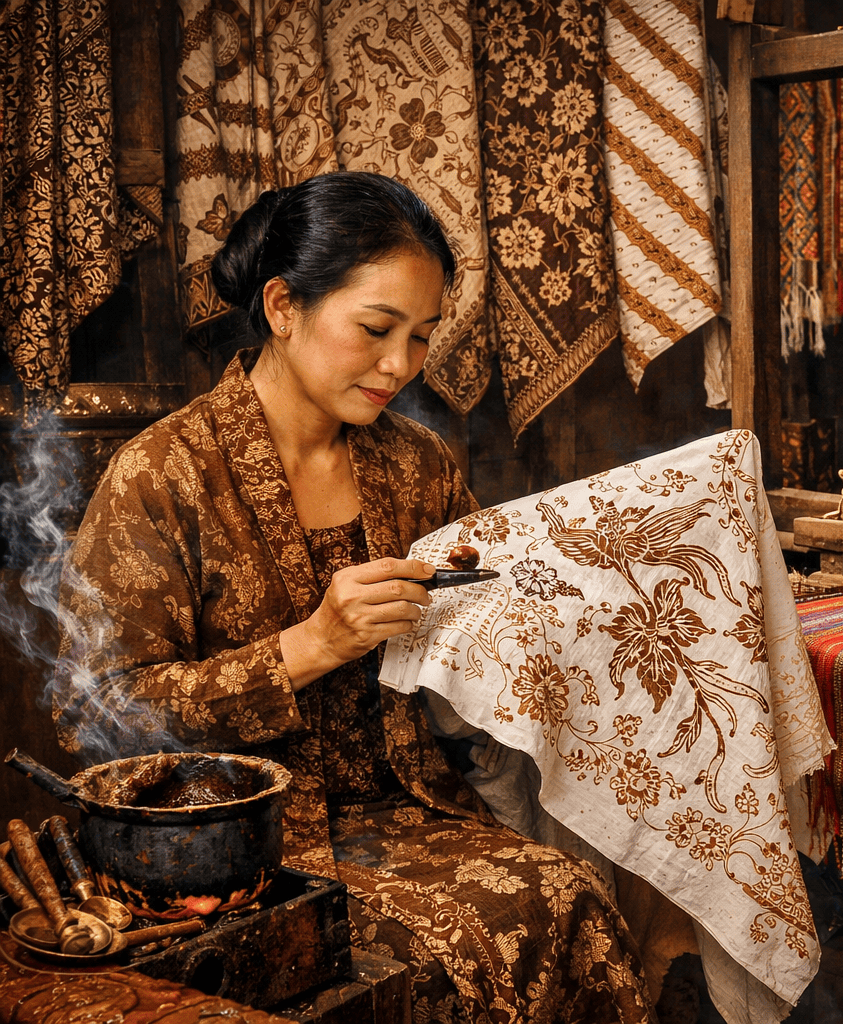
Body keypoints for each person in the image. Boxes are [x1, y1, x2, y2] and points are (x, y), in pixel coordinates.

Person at [54, 171, 652, 1023]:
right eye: (376, 329)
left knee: (565, 894)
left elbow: (495, 625)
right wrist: (309, 647)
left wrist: (566, 590)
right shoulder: (164, 475)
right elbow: (96, 715)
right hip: (242, 854)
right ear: (284, 306)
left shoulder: (416, 464)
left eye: (422, 336)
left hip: (418, 805)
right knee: (488, 929)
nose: (401, 366)